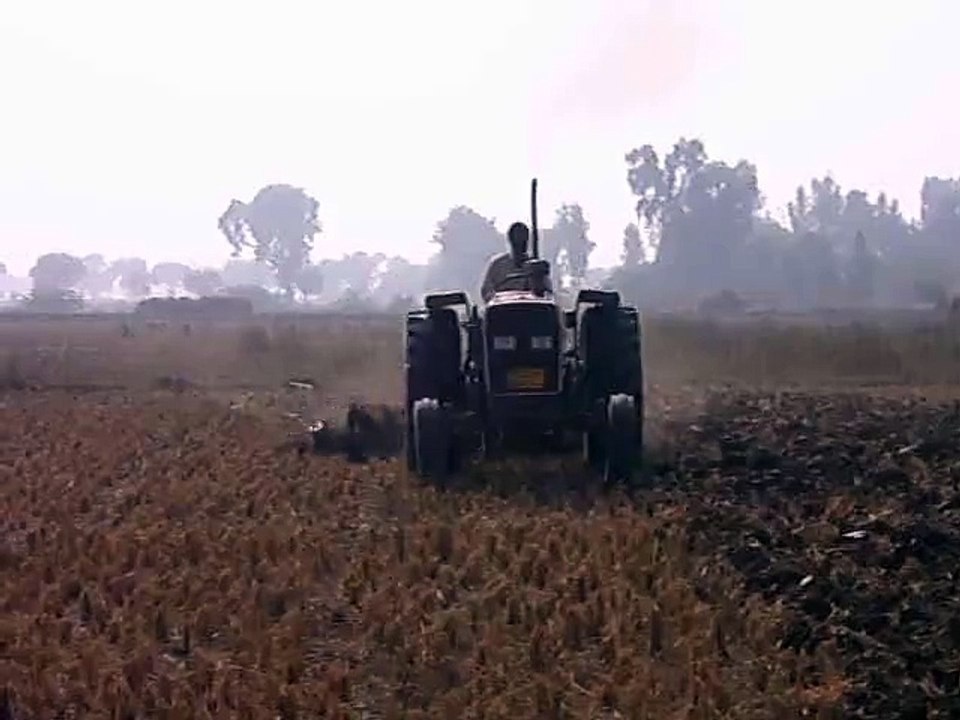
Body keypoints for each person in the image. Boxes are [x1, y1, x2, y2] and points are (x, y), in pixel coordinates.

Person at [480, 221, 551, 302]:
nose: (520, 244)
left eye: (523, 240)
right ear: (510, 240)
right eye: (517, 240)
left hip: (530, 307)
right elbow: (486, 291)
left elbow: (547, 292)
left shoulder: (536, 267)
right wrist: (499, 298)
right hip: (504, 308)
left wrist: (537, 282)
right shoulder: (497, 265)